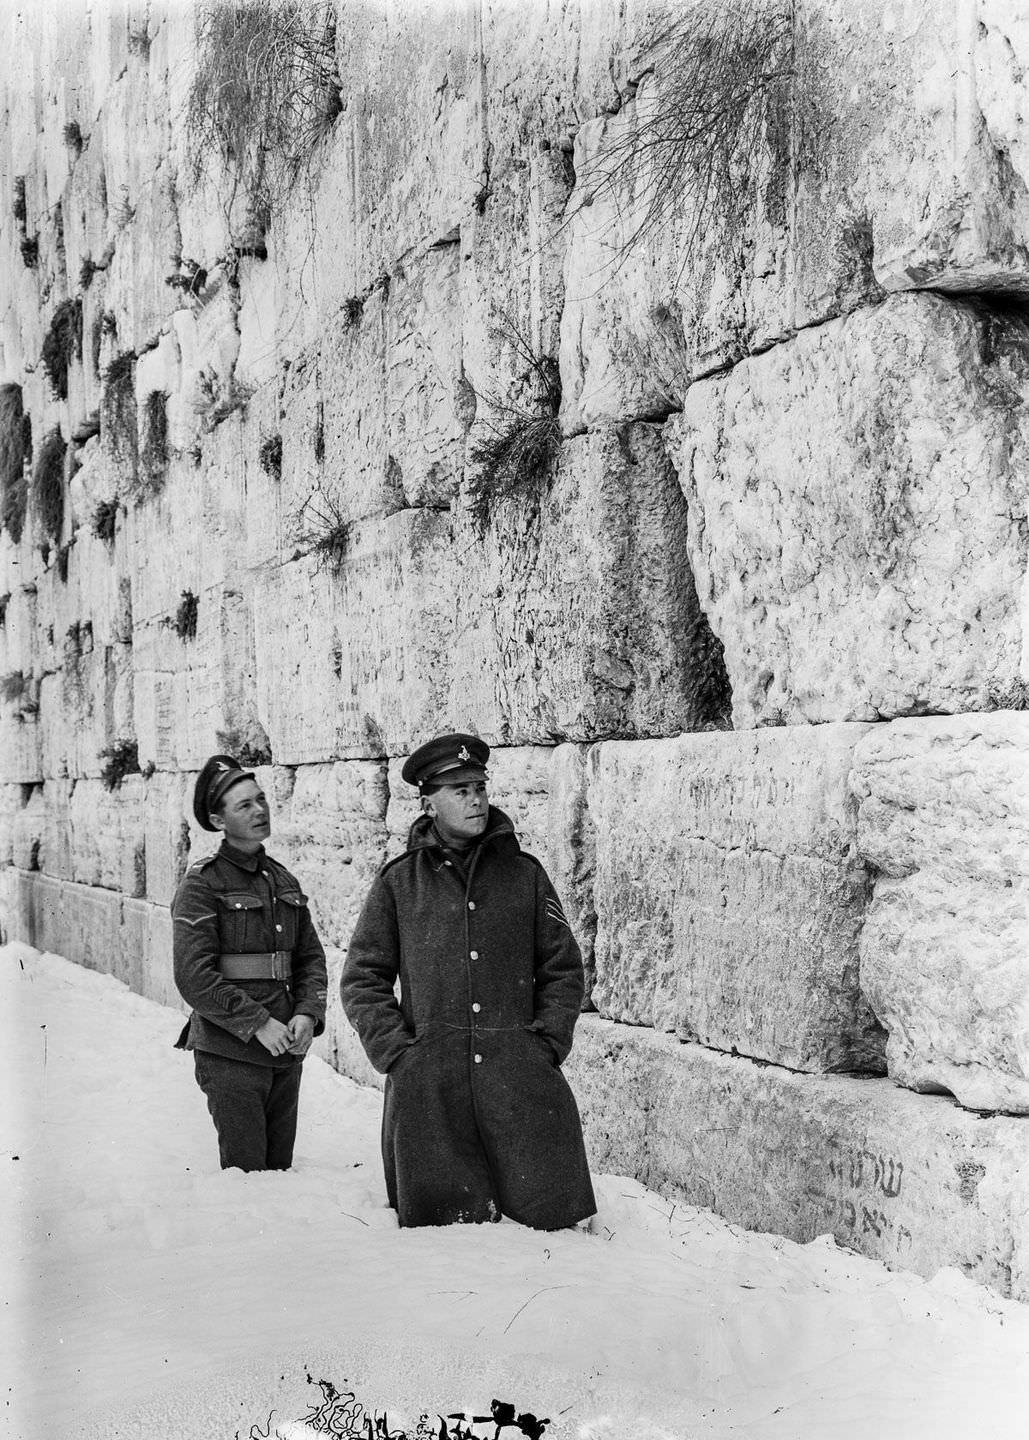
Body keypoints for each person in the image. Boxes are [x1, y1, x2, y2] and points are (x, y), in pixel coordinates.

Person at [341, 732, 596, 1229]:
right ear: (429, 802)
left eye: (479, 786)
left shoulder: (525, 875)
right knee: (448, 1256)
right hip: (430, 1101)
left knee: (552, 1245)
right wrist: (400, 1055)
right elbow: (362, 979)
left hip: (520, 1090)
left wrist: (545, 1044)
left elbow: (563, 968)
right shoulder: (399, 883)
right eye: (459, 791)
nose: (475, 799)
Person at [172, 755, 328, 1171]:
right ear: (217, 820)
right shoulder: (202, 884)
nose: (260, 810)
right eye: (244, 805)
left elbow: (310, 956)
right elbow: (194, 977)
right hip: (231, 1051)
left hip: (284, 1049)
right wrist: (257, 1022)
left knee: (279, 1173)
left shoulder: (281, 880)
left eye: (261, 800)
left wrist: (308, 1014)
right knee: (246, 1181)